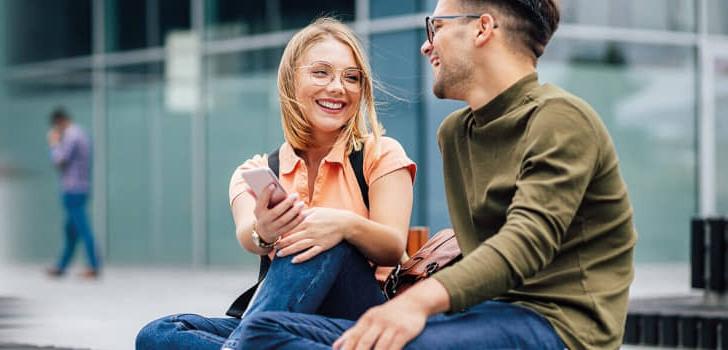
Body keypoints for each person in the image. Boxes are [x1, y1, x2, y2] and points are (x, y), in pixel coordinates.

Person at [237, 0, 637, 349]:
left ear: (481, 28)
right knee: (261, 332)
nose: (427, 45)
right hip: (476, 316)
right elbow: (476, 251)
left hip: (555, 328)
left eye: (437, 26)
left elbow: (524, 245)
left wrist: (415, 304)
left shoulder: (561, 118)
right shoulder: (456, 134)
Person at [135, 17, 417, 350]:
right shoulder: (255, 171)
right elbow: (249, 235)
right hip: (281, 321)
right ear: (290, 81)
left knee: (322, 235)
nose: (338, 87)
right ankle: (251, 343)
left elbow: (394, 246)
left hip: (357, 316)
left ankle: (247, 343)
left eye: (351, 78)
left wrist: (342, 225)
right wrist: (265, 232)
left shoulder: (380, 152)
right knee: (158, 333)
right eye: (321, 72)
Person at [45, 108, 100, 279]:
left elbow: (60, 162)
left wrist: (54, 144)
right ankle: (61, 266)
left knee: (82, 229)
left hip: (73, 189)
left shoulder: (71, 135)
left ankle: (94, 266)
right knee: (70, 230)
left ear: (59, 121)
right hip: (80, 187)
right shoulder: (82, 133)